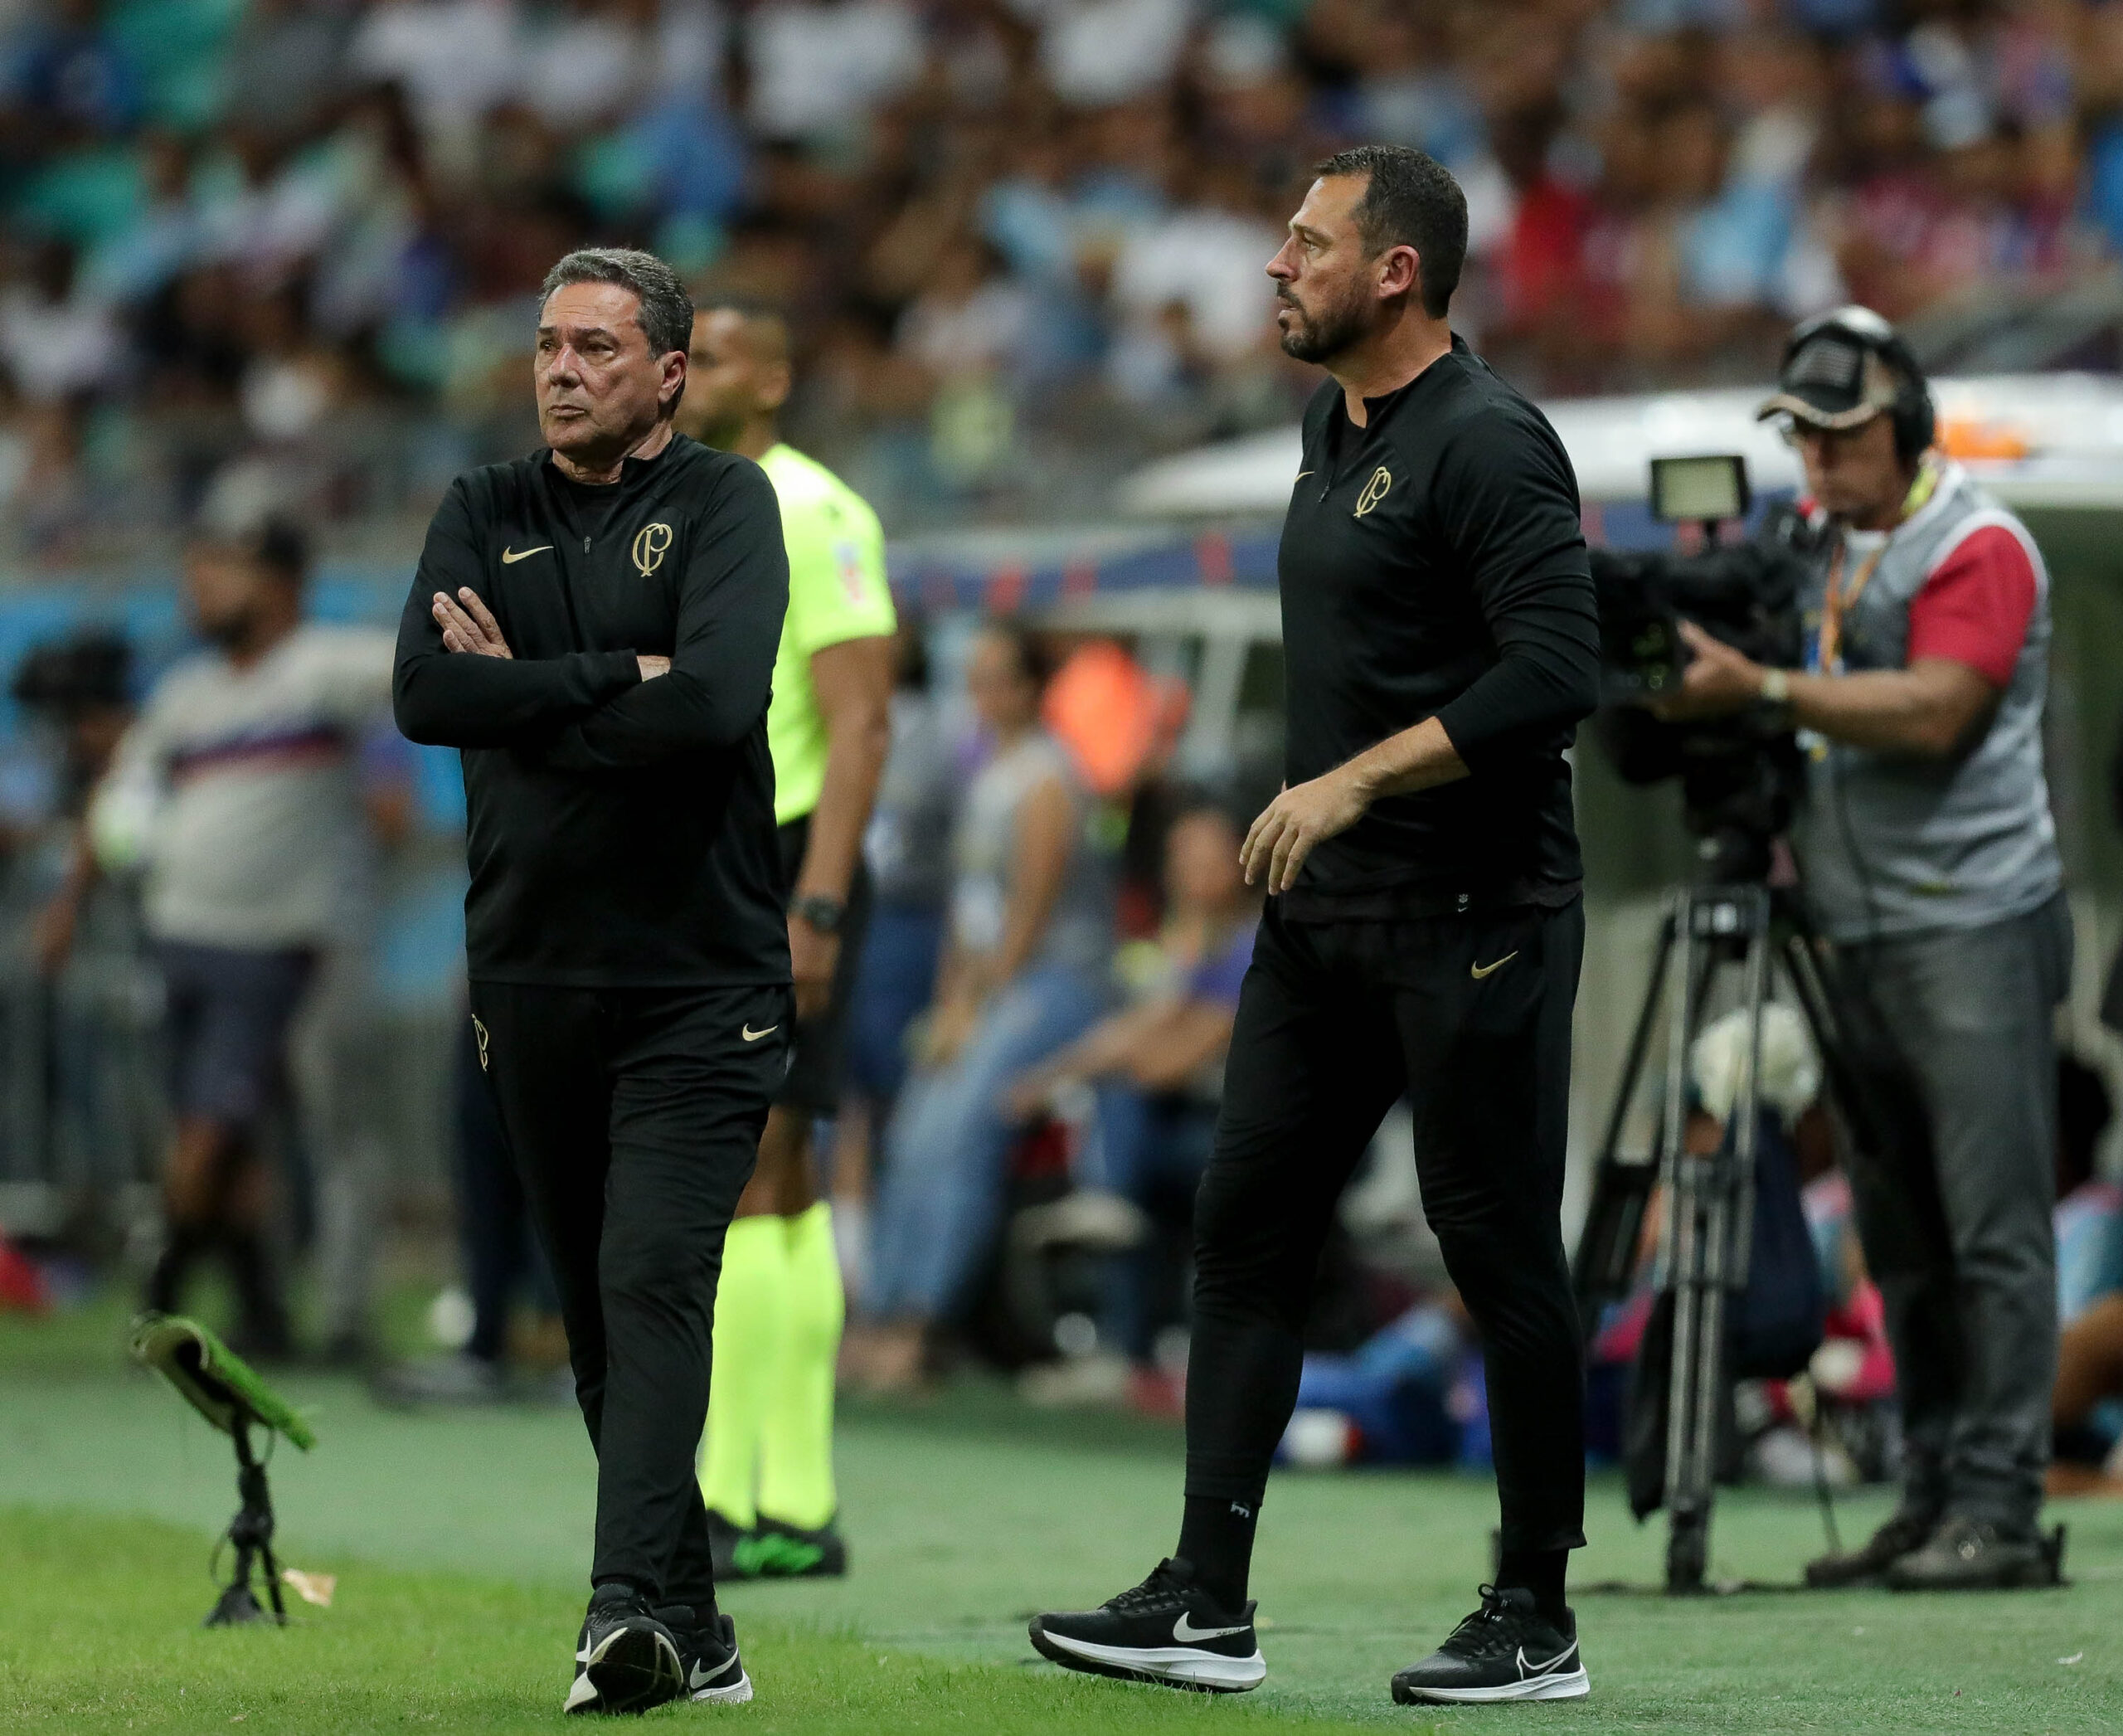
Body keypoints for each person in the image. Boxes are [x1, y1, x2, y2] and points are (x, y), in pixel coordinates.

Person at [1030, 144, 1601, 1705]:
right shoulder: (1325, 422)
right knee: (1243, 1231)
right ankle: (1208, 1598)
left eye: (1306, 241)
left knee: (1492, 1249)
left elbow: (1560, 668)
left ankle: (1535, 1613)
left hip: (1476, 911)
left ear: (1395, 270)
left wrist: (1355, 776)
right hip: (1323, 918)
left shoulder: (1491, 441)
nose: (1276, 265)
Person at [392, 246, 789, 1715]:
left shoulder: (724, 504)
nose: (563, 369)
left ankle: (623, 1615)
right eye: (550, 345)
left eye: (598, 349)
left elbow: (716, 704)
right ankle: (699, 1624)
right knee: (596, 1317)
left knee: (650, 1277)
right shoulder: (478, 507)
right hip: (531, 974)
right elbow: (426, 694)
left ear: (669, 375)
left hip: (702, 977)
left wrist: (534, 690)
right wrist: (608, 674)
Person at [1656, 307, 2071, 1592]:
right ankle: (1936, 1486)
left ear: (1904, 429)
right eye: (1804, 440)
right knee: (1900, 1229)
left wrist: (1766, 691)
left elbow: (1942, 710)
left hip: (1974, 921)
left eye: (1840, 440)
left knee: (1992, 1227)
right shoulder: (1816, 547)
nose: (1818, 466)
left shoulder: (1980, 544)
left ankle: (2000, 1507)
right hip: (1856, 922)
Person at [46, 515, 398, 1359]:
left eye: (219, 570)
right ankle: (265, 1312)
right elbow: (121, 808)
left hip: (286, 945)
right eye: (193, 572)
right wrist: (73, 898)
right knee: (228, 1142)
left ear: (279, 584)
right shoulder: (185, 695)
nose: (196, 590)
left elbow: (423, 681)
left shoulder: (325, 667)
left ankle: (171, 1299)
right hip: (184, 939)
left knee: (254, 1131)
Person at [674, 299, 896, 1579]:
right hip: (713, 862)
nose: (683, 371)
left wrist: (815, 904)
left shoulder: (815, 512)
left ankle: (746, 1494)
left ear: (774, 376)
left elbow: (859, 724)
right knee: (771, 1177)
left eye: (708, 354)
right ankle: (783, 1497)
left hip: (786, 864)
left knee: (761, 1168)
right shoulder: (693, 503)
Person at [845, 621, 1112, 1393]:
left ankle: (921, 1324)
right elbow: (969, 911)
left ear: (1029, 689)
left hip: (1053, 981)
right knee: (916, 1124)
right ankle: (880, 1311)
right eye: (977, 678)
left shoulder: (1048, 780)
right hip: (990, 986)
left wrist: (975, 1006)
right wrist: (949, 1003)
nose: (982, 694)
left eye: (998, 677)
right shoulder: (985, 774)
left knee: (960, 1126)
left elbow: (1028, 916)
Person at [1008, 797, 1258, 1403]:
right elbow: (1138, 1027)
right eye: (1178, 857)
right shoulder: (1196, 944)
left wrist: (1109, 1064)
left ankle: (1109, 1197)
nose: (1185, 871)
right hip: (1197, 1128)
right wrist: (1044, 1078)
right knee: (1128, 1158)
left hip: (1255, 1142)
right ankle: (1123, 1350)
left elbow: (1168, 1062)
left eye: (1202, 856)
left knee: (1130, 1126)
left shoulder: (1257, 944)